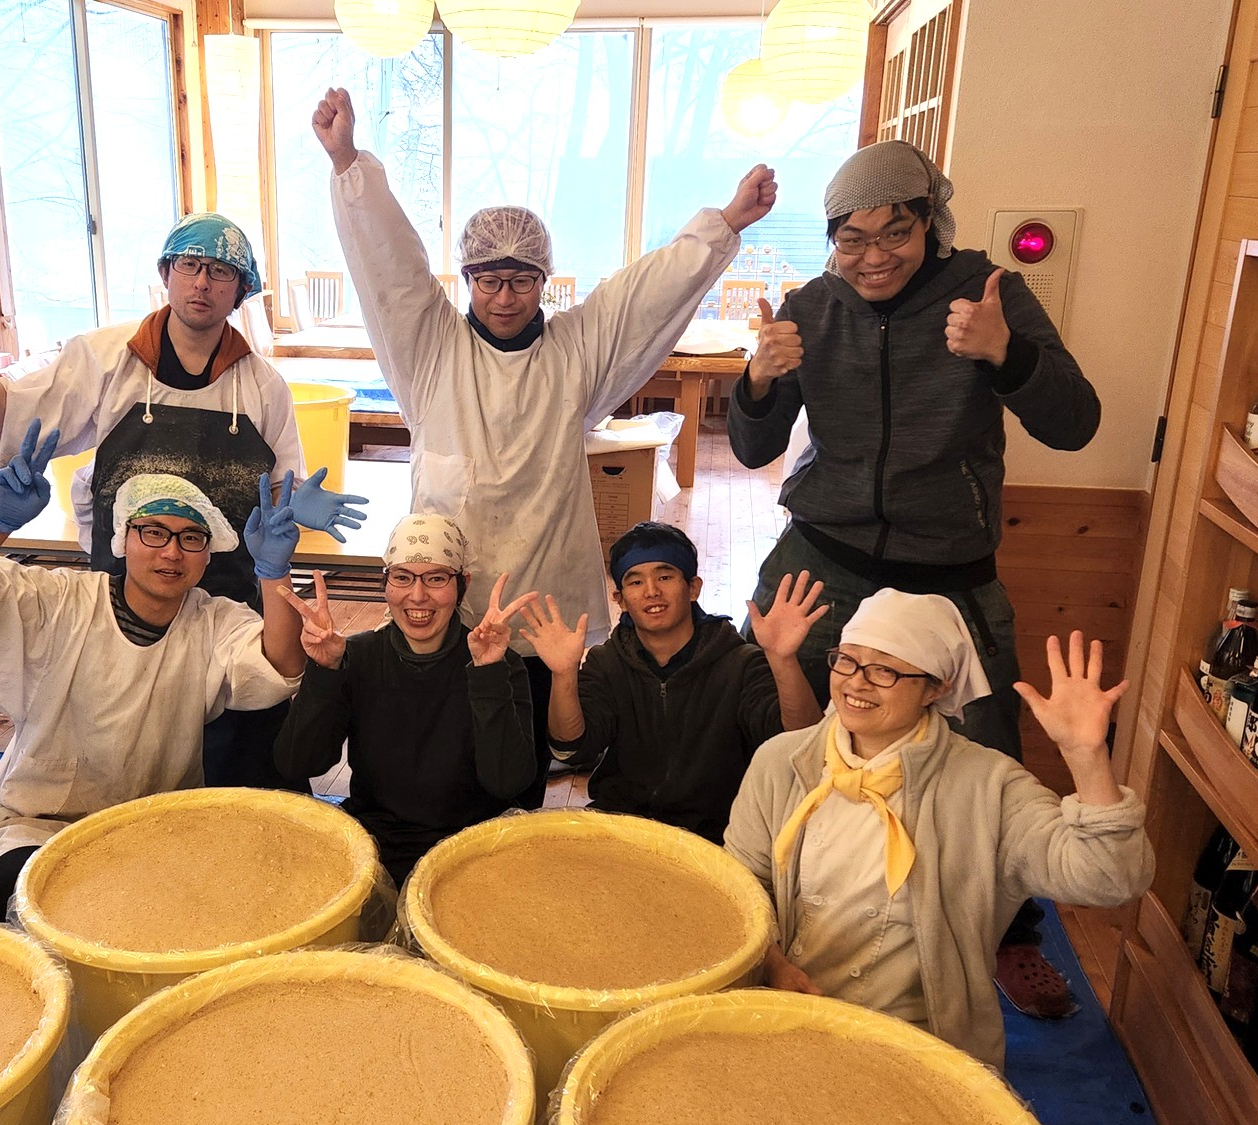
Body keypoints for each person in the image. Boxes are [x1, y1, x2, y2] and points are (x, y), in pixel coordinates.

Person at [726, 140, 1102, 1017]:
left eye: (894, 231)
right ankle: (757, 915)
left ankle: (1007, 934)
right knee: (767, 732)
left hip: (949, 574)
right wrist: (758, 380)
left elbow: (1076, 423)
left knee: (983, 759)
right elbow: (751, 447)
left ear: (931, 220)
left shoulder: (988, 292)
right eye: (850, 238)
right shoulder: (811, 308)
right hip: (824, 559)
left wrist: (1006, 354)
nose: (873, 256)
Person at [311, 86, 776, 767]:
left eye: (522, 281)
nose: (504, 297)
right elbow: (391, 270)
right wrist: (348, 162)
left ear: (545, 281)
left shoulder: (573, 349)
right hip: (441, 588)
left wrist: (726, 222)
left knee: (524, 736)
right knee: (443, 734)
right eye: (488, 281)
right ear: (467, 279)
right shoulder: (430, 348)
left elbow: (643, 294)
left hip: (544, 580)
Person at [0, 212, 365, 790]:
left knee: (244, 760)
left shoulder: (262, 386)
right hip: (122, 603)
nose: (202, 282)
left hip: (227, 603)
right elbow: (16, 419)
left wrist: (295, 505)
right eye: (189, 265)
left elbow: (278, 493)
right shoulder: (106, 358)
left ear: (241, 290)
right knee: (124, 753)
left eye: (220, 272)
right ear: (166, 273)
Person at [723, 590, 1151, 1068]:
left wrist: (1086, 756)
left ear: (937, 688)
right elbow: (738, 888)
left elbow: (1110, 879)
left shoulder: (987, 786)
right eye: (847, 660)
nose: (855, 682)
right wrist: (773, 965)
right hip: (781, 1020)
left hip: (919, 1050)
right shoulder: (782, 762)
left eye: (884, 670)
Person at [0, 421, 311, 919]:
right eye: (154, 532)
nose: (171, 552)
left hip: (157, 825)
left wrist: (274, 573)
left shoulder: (214, 622)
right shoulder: (62, 602)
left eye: (191, 537)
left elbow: (280, 667)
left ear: (208, 555)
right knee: (29, 897)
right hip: (36, 823)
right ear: (123, 537)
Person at [517, 521, 827, 843]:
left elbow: (802, 746)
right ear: (620, 599)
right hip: (623, 825)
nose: (651, 591)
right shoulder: (607, 663)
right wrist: (564, 674)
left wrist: (782, 659)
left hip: (718, 834)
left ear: (693, 588)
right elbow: (571, 750)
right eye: (635, 581)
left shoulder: (740, 663)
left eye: (665, 577)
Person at [274, 514, 539, 885]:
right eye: (402, 577)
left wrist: (487, 673)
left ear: (462, 585)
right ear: (385, 583)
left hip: (472, 849)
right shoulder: (356, 657)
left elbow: (507, 783)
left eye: (436, 578)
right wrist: (324, 672)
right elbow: (297, 763)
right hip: (375, 846)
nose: (417, 595)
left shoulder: (499, 663)